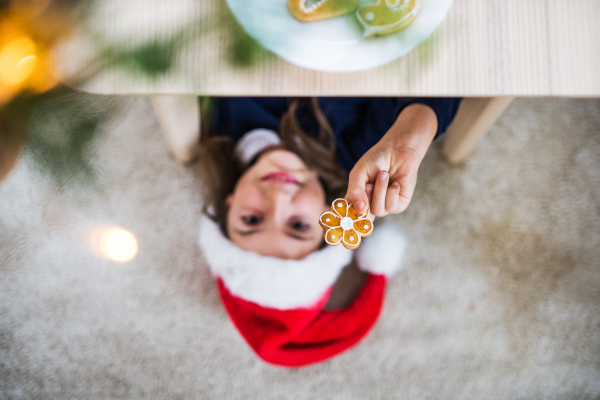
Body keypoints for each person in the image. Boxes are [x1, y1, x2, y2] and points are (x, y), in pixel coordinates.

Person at [198, 97, 461, 367]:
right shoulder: (363, 149)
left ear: (228, 206)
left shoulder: (222, 124)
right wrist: (410, 136)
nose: (277, 200)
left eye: (252, 219)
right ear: (327, 217)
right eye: (298, 226)